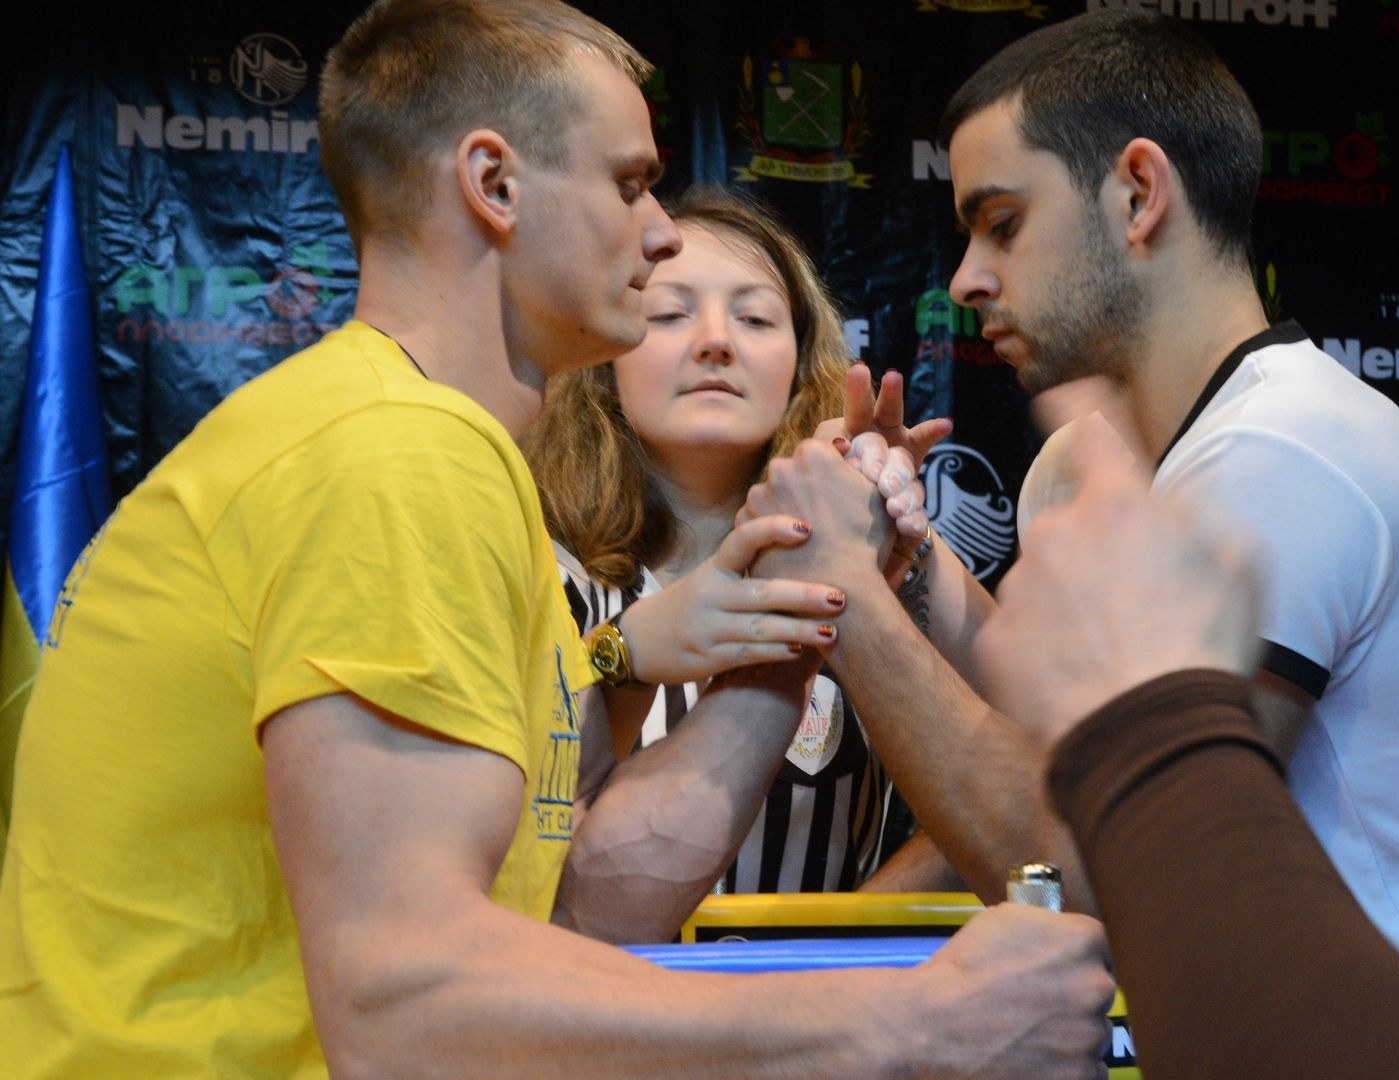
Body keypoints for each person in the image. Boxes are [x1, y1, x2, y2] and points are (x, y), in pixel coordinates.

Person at [0, 2, 1116, 1075]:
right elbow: (407, 1008)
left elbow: (571, 918)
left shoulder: (441, 457)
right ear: (493, 185)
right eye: (630, 182)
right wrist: (904, 1023)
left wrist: (796, 612)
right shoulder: (393, 452)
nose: (665, 229)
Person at [747, 8, 1399, 1077]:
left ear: (1139, 195)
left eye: (1001, 222)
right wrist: (905, 561)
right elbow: (1044, 724)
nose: (966, 276)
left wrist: (844, 595)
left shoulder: (1287, 449)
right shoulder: (1094, 460)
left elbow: (1090, 859)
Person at [975, 378, 1399, 1078]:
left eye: (1004, 254)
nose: (969, 278)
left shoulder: (1265, 447)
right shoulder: (1285, 422)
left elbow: (1095, 876)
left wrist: (860, 591)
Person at [529, 186, 961, 895]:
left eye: (755, 317)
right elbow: (511, 841)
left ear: (799, 365)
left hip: (829, 1003)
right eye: (669, 313)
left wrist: (854, 933)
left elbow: (1029, 778)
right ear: (607, 359)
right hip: (604, 994)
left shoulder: (867, 568)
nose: (715, 341)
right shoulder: (541, 568)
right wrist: (620, 656)